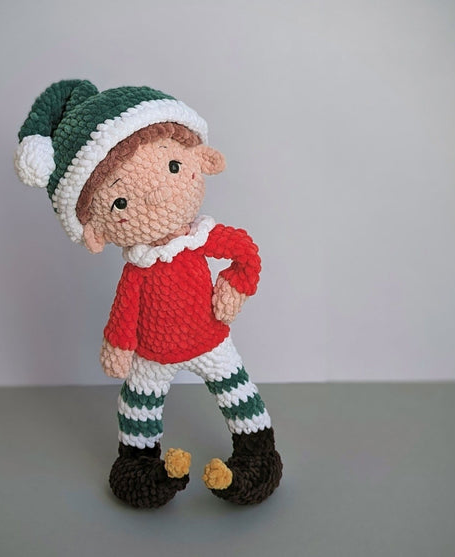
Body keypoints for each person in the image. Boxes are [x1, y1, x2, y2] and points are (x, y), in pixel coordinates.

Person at [15, 80, 282, 507]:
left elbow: (245, 254)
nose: (156, 196)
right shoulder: (138, 270)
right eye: (119, 202)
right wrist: (119, 345)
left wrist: (235, 286)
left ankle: (256, 457)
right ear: (95, 231)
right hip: (153, 353)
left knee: (238, 393)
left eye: (173, 166)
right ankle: (139, 467)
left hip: (210, 339)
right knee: (138, 407)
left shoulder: (201, 238)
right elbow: (125, 310)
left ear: (201, 158)